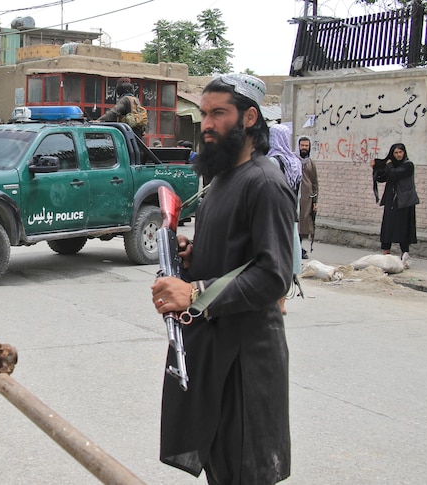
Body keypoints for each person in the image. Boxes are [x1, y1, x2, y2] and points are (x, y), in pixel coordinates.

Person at [149, 73, 294, 484]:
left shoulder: (265, 182)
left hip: (246, 360)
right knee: (219, 463)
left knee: (243, 467)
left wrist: (193, 291)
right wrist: (194, 258)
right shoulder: (222, 180)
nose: (207, 124)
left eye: (218, 113)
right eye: (203, 114)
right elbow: (237, 257)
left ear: (249, 118)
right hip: (215, 349)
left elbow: (273, 274)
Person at [267, 124, 303, 315]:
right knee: (287, 259)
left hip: (275, 216)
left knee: (274, 259)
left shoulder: (272, 162)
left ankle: (275, 302)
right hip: (290, 215)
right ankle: (282, 303)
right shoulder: (295, 161)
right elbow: (298, 193)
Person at [372, 142, 418, 268]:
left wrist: (388, 164)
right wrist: (376, 167)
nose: (398, 155)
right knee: (388, 226)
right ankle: (386, 253)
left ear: (404, 153)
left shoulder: (408, 165)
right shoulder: (392, 166)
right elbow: (383, 177)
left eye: (400, 152)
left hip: (404, 202)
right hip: (391, 201)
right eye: (396, 153)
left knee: (403, 229)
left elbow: (394, 173)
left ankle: (404, 255)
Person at [297, 137, 318, 259]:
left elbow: (315, 183)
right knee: (296, 224)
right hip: (296, 199)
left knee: (305, 226)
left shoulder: (311, 163)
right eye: (302, 145)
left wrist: (315, 201)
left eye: (306, 146)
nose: (304, 148)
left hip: (307, 200)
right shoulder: (294, 161)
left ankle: (299, 248)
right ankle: (296, 249)